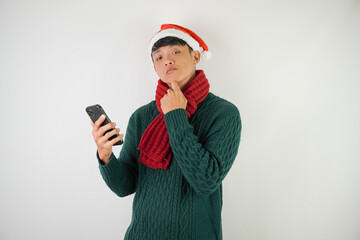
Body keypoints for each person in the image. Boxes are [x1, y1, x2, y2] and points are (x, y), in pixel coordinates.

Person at [90, 24, 242, 240]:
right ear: (155, 68)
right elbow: (125, 186)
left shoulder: (224, 113)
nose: (167, 60)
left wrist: (175, 115)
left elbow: (206, 181)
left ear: (196, 56)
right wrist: (105, 157)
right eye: (158, 57)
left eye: (175, 51)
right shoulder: (142, 117)